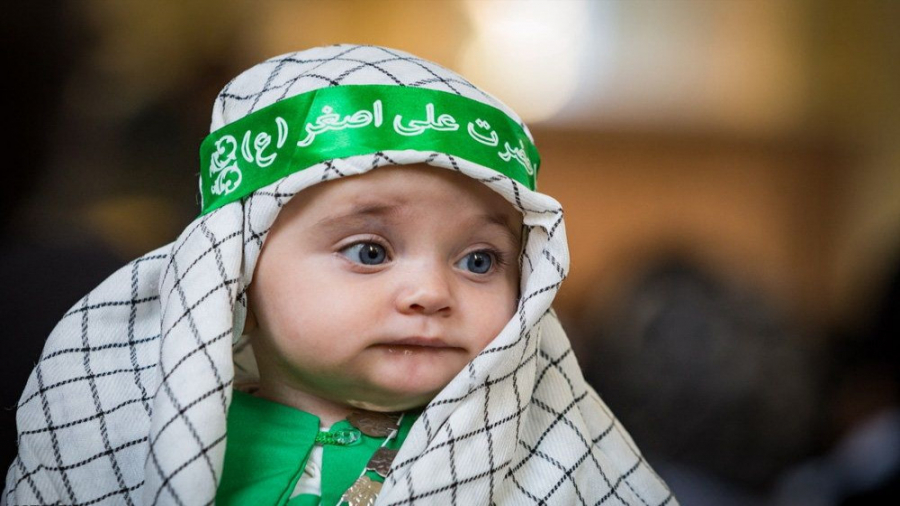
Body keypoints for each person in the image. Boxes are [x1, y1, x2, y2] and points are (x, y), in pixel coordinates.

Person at [2, 44, 676, 505]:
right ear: (238, 269)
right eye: (370, 252)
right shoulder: (128, 433)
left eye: (479, 261)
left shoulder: (545, 459)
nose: (431, 294)